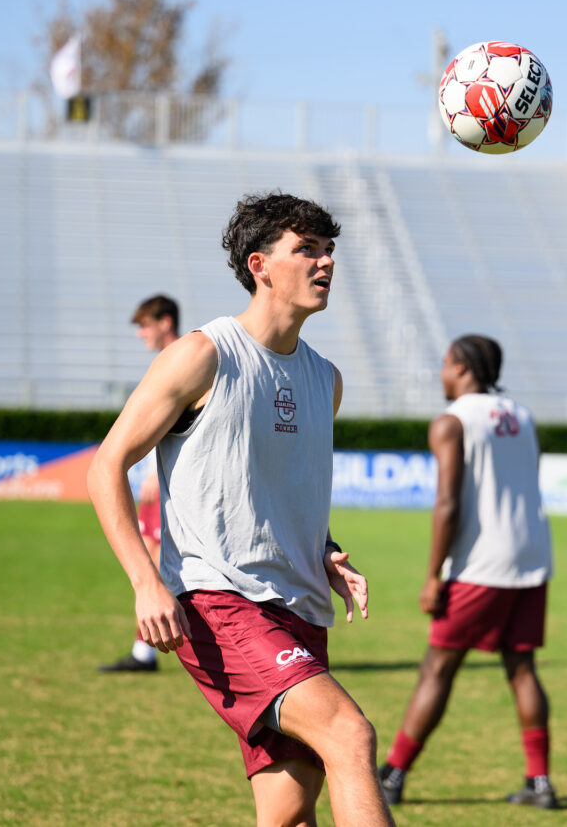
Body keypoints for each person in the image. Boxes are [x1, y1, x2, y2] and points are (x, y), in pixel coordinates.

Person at [87, 192, 395, 826]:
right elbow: (106, 466)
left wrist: (329, 552)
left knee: (286, 813)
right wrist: (147, 585)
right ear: (260, 265)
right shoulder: (203, 355)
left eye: (328, 249)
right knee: (350, 737)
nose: (325, 262)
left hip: (300, 608)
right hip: (219, 599)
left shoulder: (324, 380)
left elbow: (290, 490)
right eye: (306, 249)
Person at [378, 335, 559, 810]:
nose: (441, 373)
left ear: (460, 366)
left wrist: (435, 574)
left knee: (438, 667)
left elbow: (448, 503)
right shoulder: (522, 415)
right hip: (532, 555)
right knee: (522, 668)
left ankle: (393, 775)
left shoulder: (451, 422)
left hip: (482, 563)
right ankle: (540, 783)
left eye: (444, 364)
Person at [99, 294, 181, 673]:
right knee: (149, 559)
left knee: (158, 564)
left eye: (145, 325)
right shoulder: (171, 359)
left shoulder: (182, 358)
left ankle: (147, 652)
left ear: (166, 322)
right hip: (159, 483)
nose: (141, 334)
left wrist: (153, 472)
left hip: (170, 486)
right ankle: (144, 650)